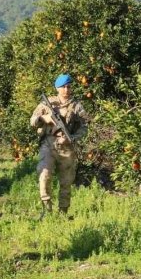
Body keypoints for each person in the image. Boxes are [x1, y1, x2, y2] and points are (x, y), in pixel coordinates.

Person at [30, 74, 88, 217]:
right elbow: (32, 121)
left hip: (67, 147)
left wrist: (72, 138)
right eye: (63, 87)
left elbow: (84, 127)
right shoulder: (47, 103)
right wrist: (44, 118)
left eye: (68, 86)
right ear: (57, 88)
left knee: (66, 182)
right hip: (48, 144)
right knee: (44, 175)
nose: (66, 89)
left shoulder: (77, 106)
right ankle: (47, 209)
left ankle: (63, 213)